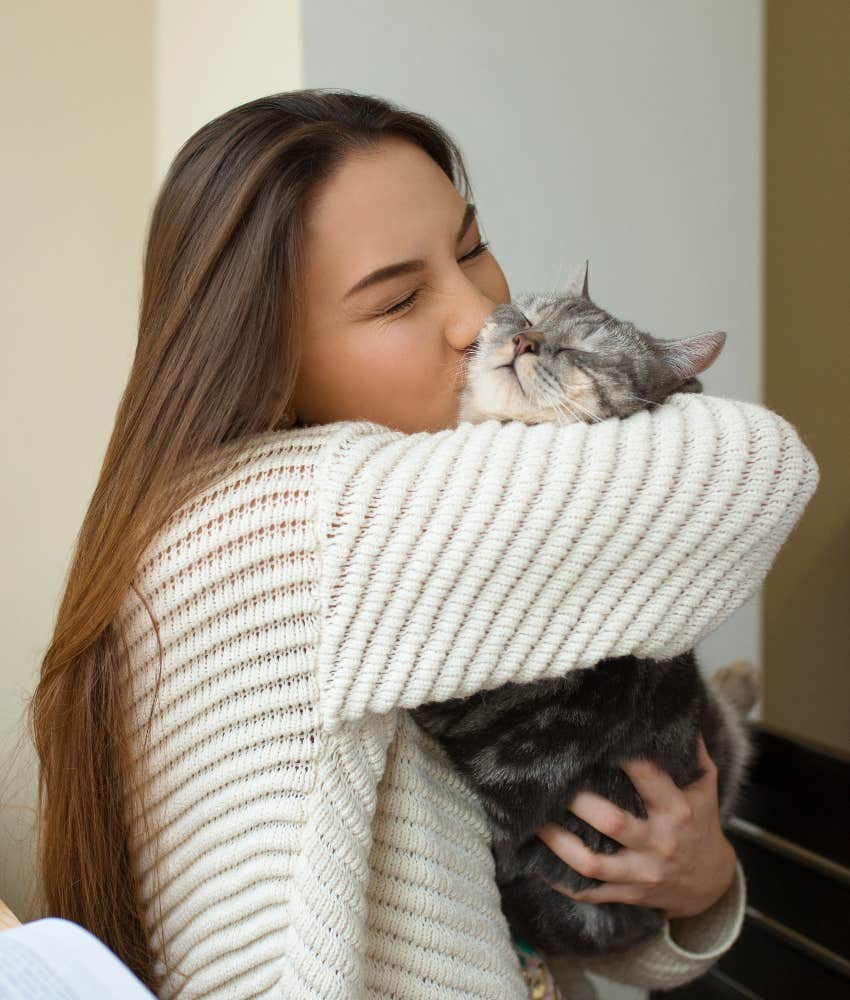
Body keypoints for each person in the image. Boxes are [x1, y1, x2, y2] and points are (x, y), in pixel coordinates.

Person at [28, 89, 818, 1000]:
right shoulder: (304, 521)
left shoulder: (399, 549)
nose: (483, 317)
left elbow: (531, 929)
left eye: (472, 248)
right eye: (400, 298)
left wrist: (700, 885)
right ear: (263, 356)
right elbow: (759, 465)